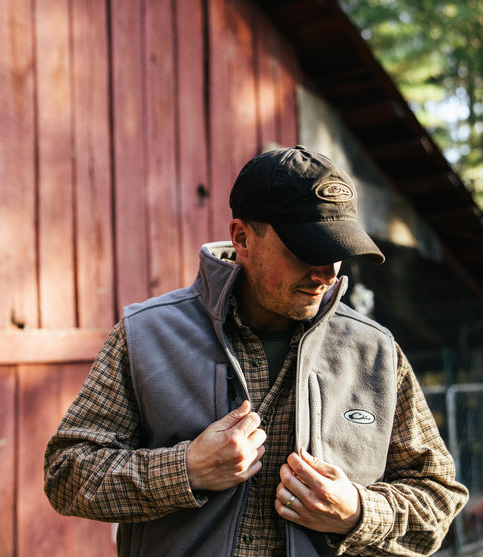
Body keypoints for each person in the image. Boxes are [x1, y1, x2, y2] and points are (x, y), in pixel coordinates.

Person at [43, 146, 468, 556]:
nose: (325, 274)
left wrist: (357, 512)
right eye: (307, 251)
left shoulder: (376, 353)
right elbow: (67, 474)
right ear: (242, 238)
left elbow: (438, 501)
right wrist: (185, 469)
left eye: (338, 252)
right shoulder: (145, 336)